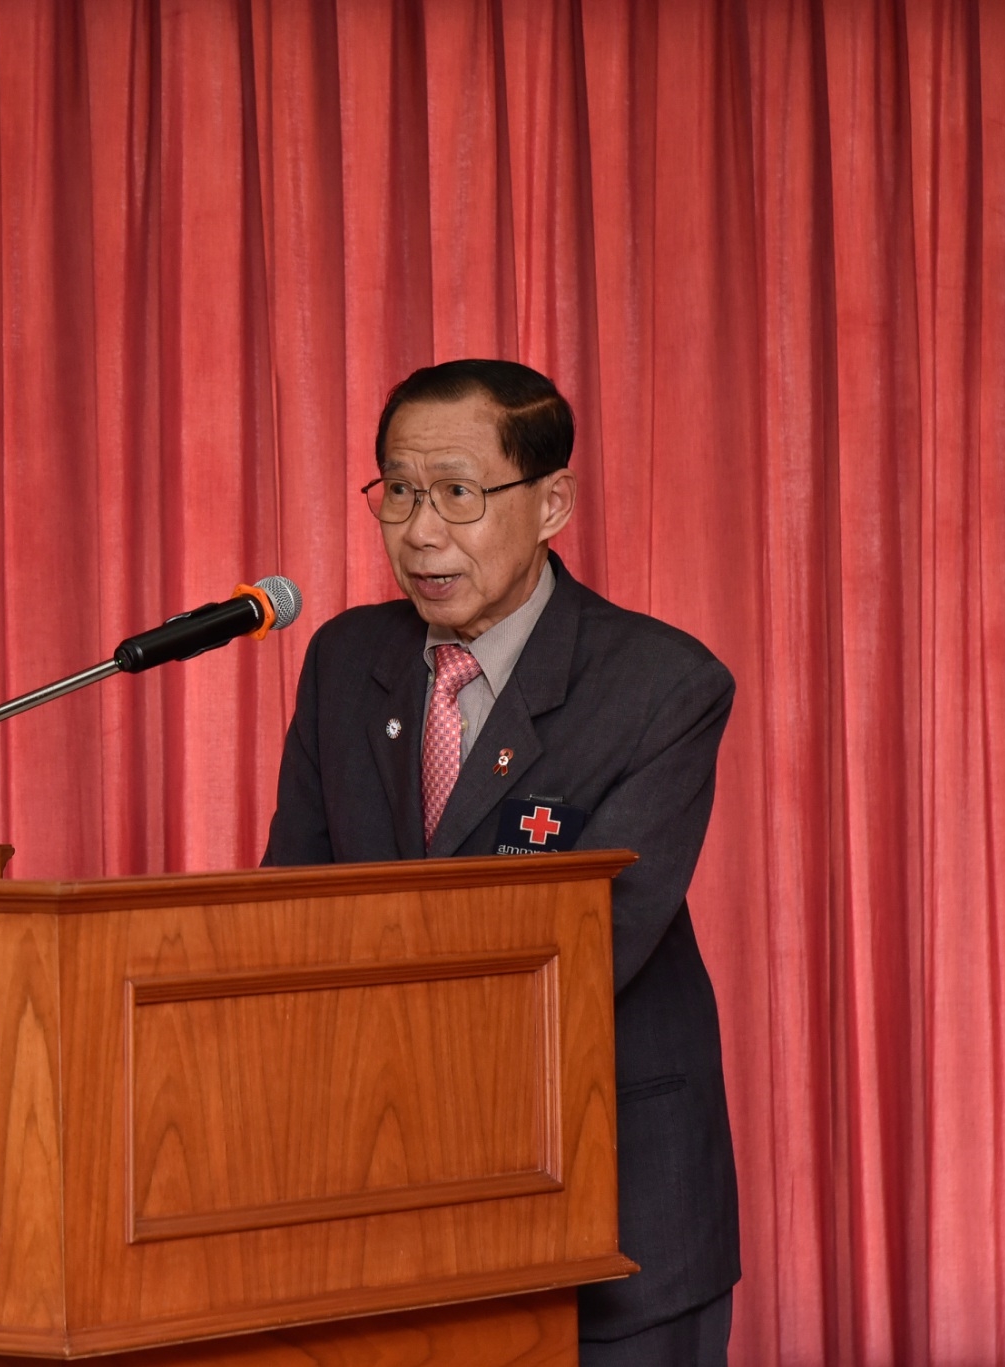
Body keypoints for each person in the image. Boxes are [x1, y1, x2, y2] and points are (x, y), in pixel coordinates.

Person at [263, 359, 739, 1366]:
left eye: (457, 492)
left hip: (606, 1194)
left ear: (551, 501)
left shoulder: (659, 683)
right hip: (379, 1197)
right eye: (398, 491)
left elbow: (595, 941)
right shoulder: (345, 661)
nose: (420, 531)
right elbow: (288, 907)